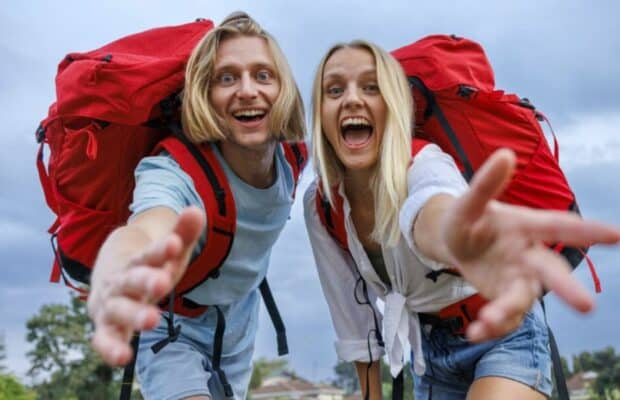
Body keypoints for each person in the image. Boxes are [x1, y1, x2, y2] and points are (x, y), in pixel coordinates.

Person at [303, 40, 620, 400]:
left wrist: (454, 235)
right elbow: (354, 323)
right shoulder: (321, 205)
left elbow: (434, 208)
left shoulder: (424, 163)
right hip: (431, 354)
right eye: (334, 89)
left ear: (393, 107)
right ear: (320, 112)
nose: (352, 99)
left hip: (505, 334)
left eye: (371, 87)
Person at [86, 12, 305, 400]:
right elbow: (150, 222)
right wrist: (126, 260)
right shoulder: (173, 170)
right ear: (205, 95)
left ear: (284, 89)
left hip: (238, 323)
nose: (247, 90)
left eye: (263, 75)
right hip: (171, 324)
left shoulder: (293, 159)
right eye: (227, 77)